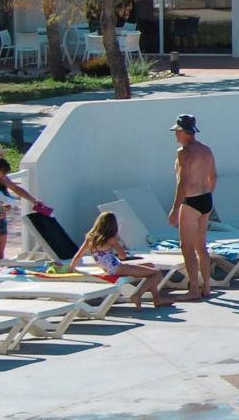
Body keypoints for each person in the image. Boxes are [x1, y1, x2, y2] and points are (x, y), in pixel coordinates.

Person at [75, 210, 173, 308]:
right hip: (117, 268)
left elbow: (78, 255)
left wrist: (71, 268)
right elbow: (123, 256)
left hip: (109, 269)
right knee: (157, 273)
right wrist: (119, 244)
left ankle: (157, 299)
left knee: (150, 266)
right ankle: (137, 295)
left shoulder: (90, 239)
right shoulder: (111, 239)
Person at [167, 115, 217, 301]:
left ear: (184, 132)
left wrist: (175, 209)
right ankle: (207, 287)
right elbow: (214, 176)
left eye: (177, 131)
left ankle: (194, 289)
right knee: (201, 246)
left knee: (187, 247)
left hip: (191, 201)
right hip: (206, 199)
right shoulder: (206, 150)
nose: (175, 135)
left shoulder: (184, 152)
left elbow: (183, 183)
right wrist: (207, 195)